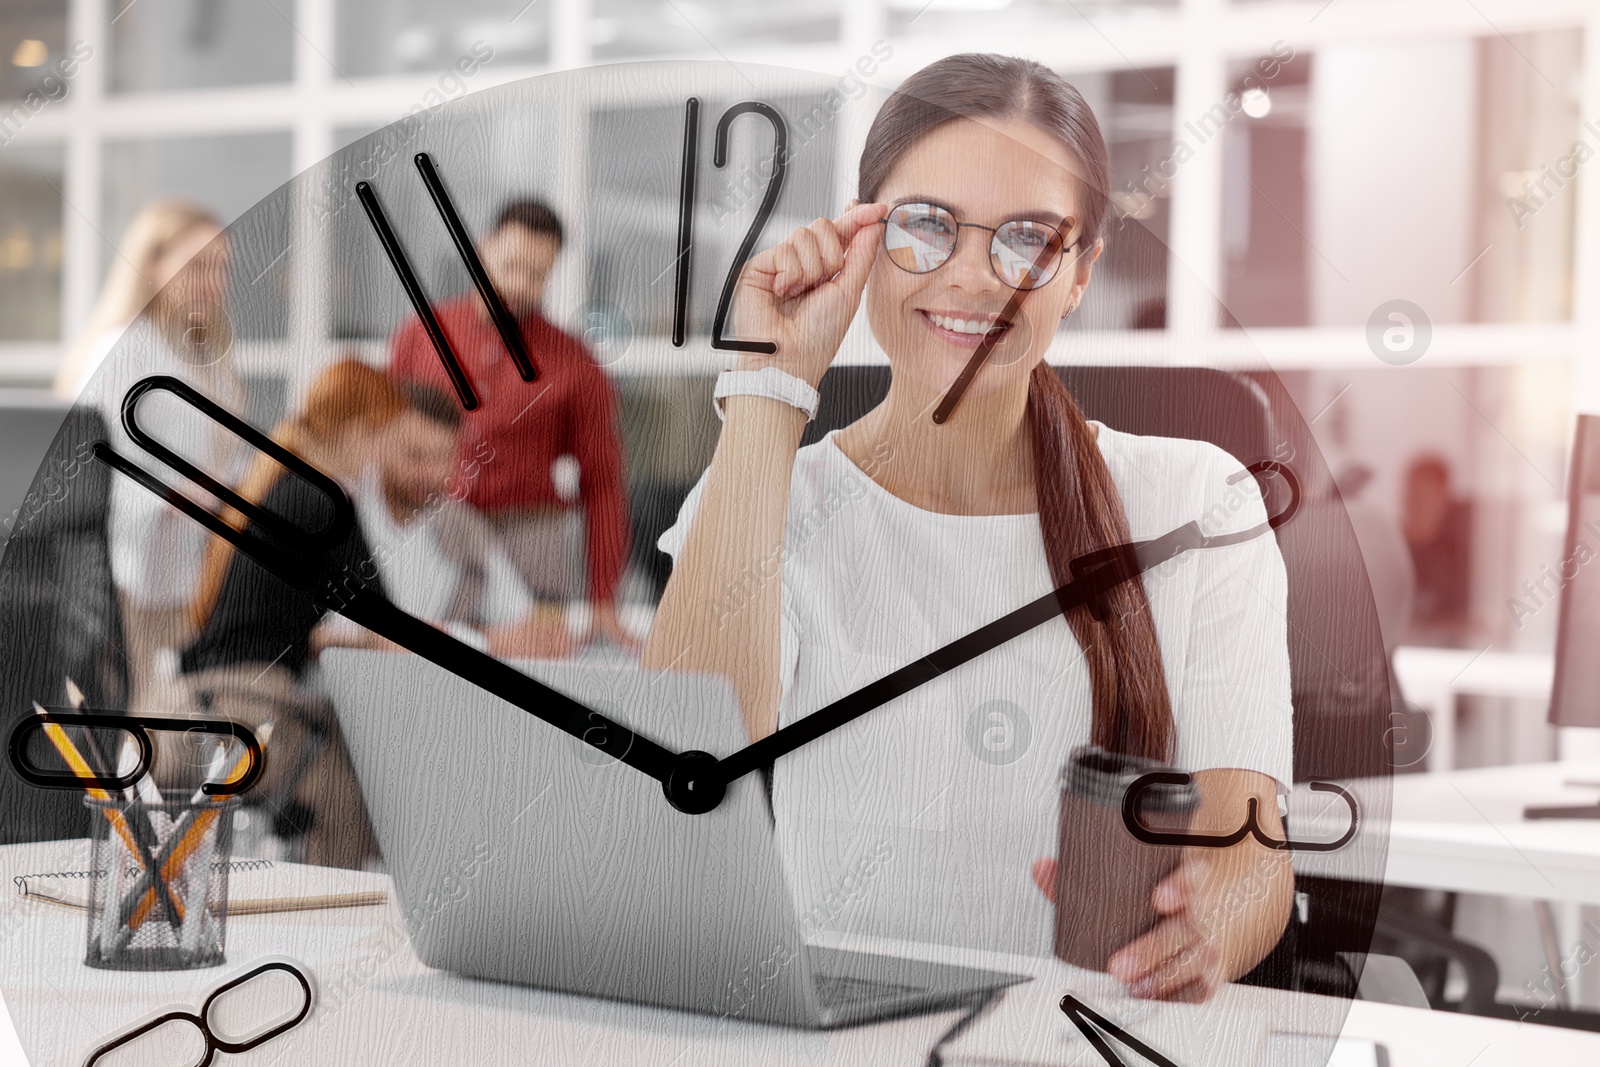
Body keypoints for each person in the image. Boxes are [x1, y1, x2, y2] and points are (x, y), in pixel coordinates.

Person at [643, 54, 1294, 1002]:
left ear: (1079, 275)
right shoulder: (763, 495)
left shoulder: (1200, 503)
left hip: (1090, 1036)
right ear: (863, 241)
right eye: (926, 227)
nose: (971, 278)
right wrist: (767, 389)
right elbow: (686, 779)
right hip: (832, 1032)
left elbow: (1252, 855)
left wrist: (1209, 925)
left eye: (1028, 239)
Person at [181, 359, 405, 869]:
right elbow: (390, 624)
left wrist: (325, 639)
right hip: (252, 706)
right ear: (356, 431)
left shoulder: (275, 483)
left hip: (207, 695)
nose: (379, 458)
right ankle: (342, 911)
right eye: (381, 440)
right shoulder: (324, 501)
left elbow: (282, 616)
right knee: (361, 770)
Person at [390, 199, 636, 657]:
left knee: (533, 688)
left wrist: (604, 600)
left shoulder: (577, 363)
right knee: (428, 671)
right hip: (436, 543)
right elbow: (380, 450)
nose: (522, 285)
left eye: (539, 274)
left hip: (535, 551)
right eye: (513, 266)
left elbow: (603, 484)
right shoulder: (419, 336)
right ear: (481, 252)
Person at [63, 200, 247, 714]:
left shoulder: (203, 352)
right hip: (128, 572)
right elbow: (87, 462)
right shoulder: (122, 349)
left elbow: (219, 456)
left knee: (176, 709)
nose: (212, 281)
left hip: (188, 573)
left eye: (221, 267)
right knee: (142, 713)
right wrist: (172, 496)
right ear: (151, 265)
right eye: (196, 266)